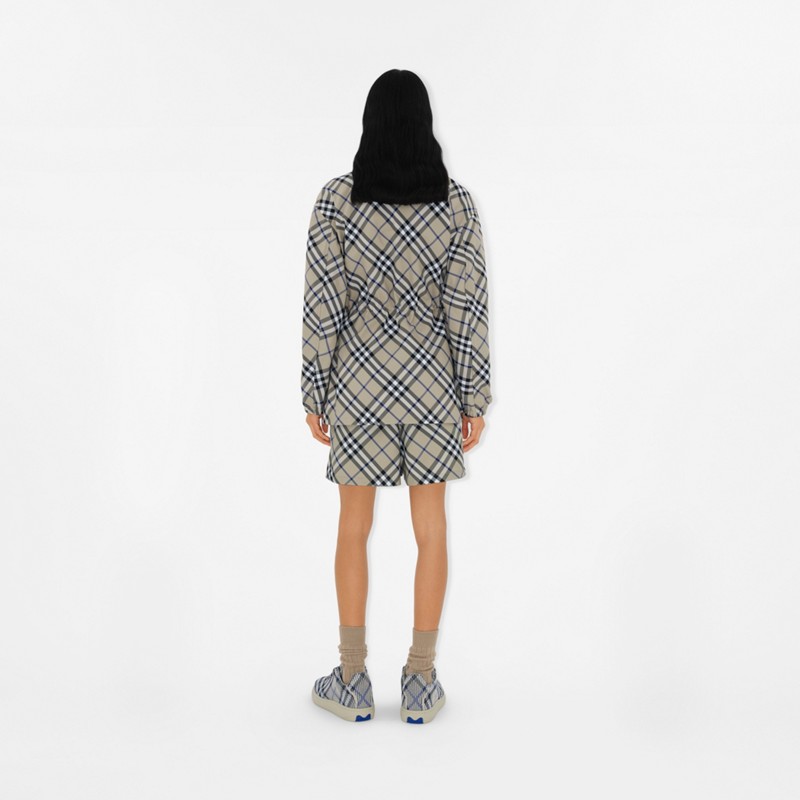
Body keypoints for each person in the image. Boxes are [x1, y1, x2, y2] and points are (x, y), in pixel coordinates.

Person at [301, 69, 493, 723]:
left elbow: (323, 305)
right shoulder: (456, 206)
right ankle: (420, 679)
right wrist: (473, 398)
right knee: (431, 529)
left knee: (353, 527)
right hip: (432, 386)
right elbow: (467, 308)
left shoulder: (337, 202)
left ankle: (352, 678)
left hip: (358, 386)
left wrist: (315, 388)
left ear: (370, 123)